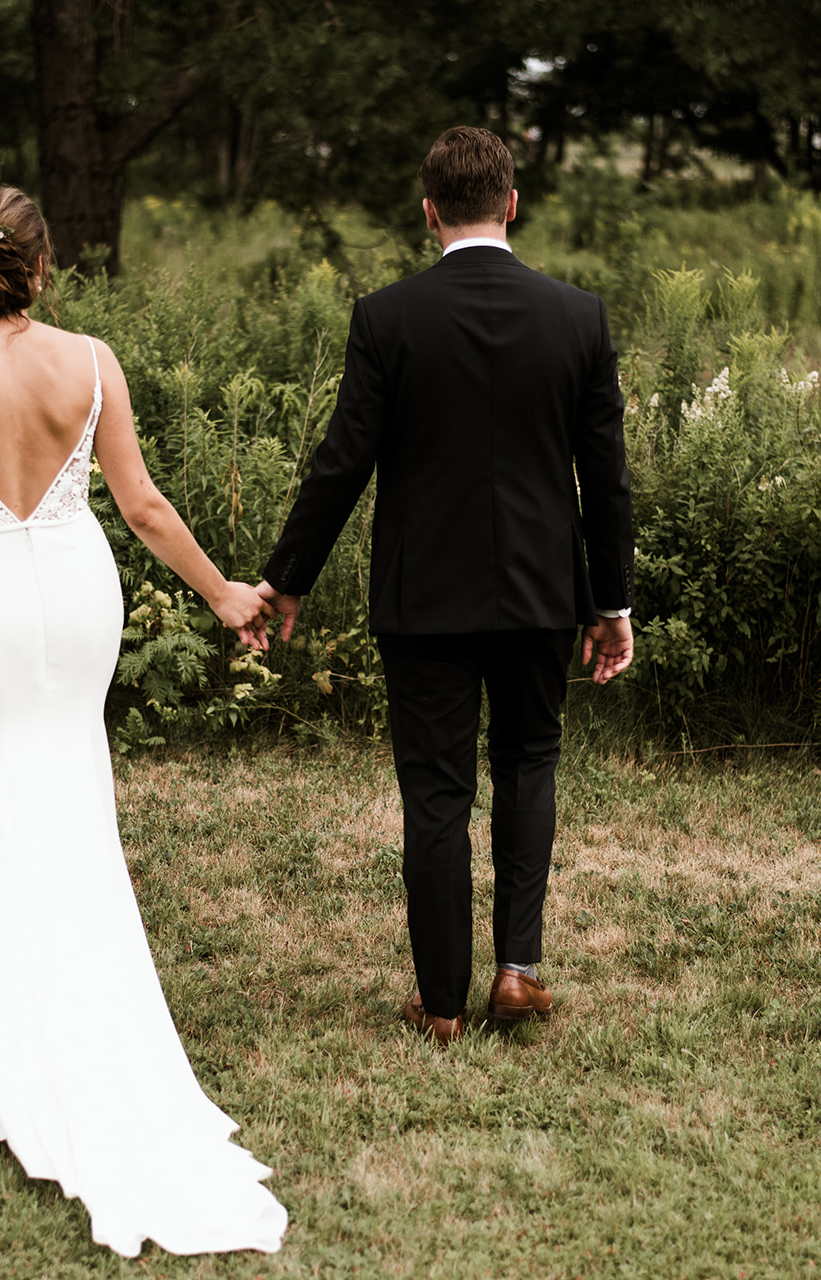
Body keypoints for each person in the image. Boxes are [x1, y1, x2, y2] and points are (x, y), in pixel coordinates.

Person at [0, 187, 288, 1256]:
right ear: (39, 269)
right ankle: (81, 1010)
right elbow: (140, 504)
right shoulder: (89, 360)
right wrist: (225, 592)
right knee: (69, 794)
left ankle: (13, 1055)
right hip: (77, 589)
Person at [256, 127, 635, 1045]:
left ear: (429, 212)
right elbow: (607, 475)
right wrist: (612, 603)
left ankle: (438, 1007)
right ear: (511, 204)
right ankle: (515, 972)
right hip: (545, 592)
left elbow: (342, 462)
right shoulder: (577, 316)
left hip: (423, 598)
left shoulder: (388, 318)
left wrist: (286, 580)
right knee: (528, 763)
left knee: (434, 794)